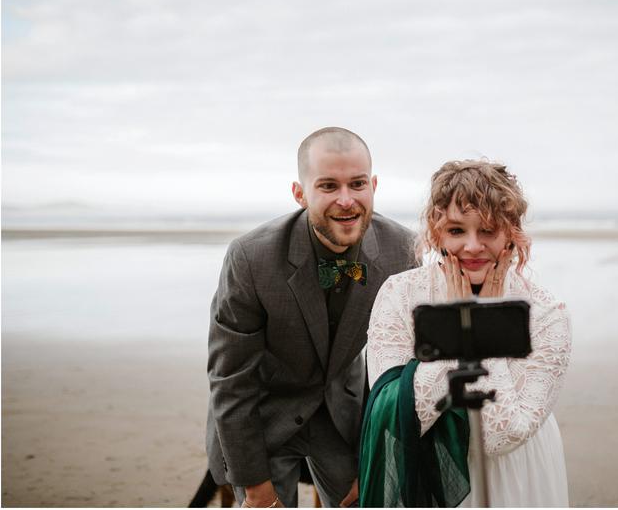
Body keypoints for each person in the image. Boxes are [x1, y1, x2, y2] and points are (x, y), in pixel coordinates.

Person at [206, 127, 416, 508]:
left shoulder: (402, 251)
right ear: (300, 194)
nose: (346, 200)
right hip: (263, 413)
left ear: (374, 185)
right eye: (328, 186)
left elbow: (398, 369)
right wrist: (255, 489)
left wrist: (375, 462)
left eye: (357, 184)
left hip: (346, 414)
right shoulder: (251, 259)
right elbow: (231, 378)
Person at [361, 159, 571, 507]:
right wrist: (464, 326)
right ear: (436, 232)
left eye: (487, 230)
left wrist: (482, 323)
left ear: (511, 233)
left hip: (518, 473)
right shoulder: (399, 294)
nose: (473, 246)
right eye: (457, 231)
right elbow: (393, 414)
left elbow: (503, 435)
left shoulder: (547, 312)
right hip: (429, 465)